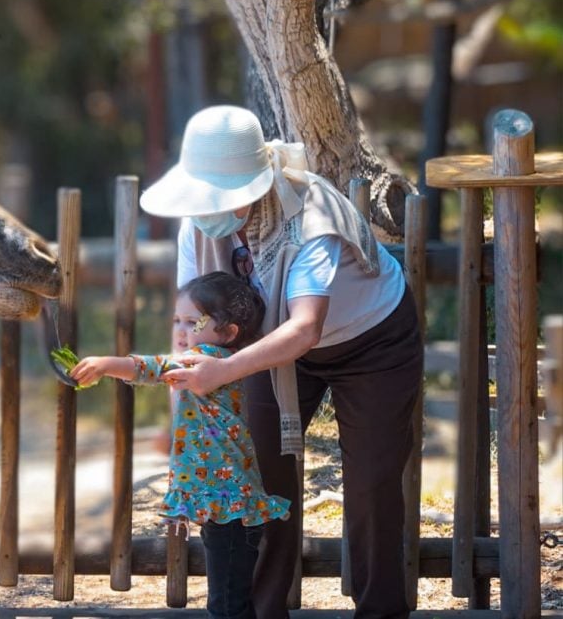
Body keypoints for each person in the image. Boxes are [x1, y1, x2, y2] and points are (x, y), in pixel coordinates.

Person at [137, 105, 423, 619]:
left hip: (370, 341)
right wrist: (183, 407)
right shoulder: (197, 226)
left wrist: (223, 371)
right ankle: (262, 614)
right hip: (263, 351)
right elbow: (189, 323)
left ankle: (381, 613)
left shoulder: (310, 217)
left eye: (216, 197)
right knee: (256, 474)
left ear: (253, 186)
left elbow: (304, 326)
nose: (206, 210)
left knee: (372, 482)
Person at [71, 271, 290, 619]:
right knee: (232, 601)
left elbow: (150, 368)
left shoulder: (206, 359)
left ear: (228, 332)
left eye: (192, 321)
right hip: (225, 505)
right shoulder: (224, 362)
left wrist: (105, 365)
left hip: (227, 504)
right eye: (176, 320)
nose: (180, 330)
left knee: (227, 606)